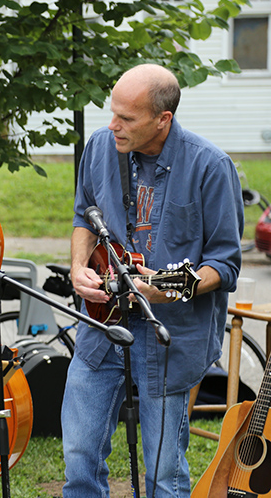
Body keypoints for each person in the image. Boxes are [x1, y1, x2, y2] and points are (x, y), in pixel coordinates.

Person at [63, 63, 243, 497]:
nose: (113, 126)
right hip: (102, 325)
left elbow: (225, 264)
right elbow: (83, 213)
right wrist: (77, 267)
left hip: (170, 335)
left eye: (126, 118)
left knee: (164, 472)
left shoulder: (211, 166)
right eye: (112, 113)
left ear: (163, 119)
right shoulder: (101, 147)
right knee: (79, 455)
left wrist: (166, 290)